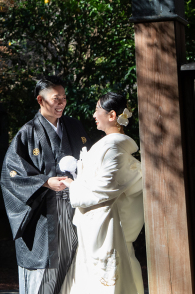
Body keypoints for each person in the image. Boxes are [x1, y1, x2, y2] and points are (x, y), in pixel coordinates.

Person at [1, 76, 89, 294]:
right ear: (41, 100)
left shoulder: (74, 126)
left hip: (73, 212)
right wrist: (45, 182)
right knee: (41, 279)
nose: (61, 103)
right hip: (43, 217)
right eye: (56, 99)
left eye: (64, 98)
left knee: (73, 276)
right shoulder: (27, 132)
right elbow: (11, 175)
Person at [59, 92, 144, 294]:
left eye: (97, 110)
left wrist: (73, 185)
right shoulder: (109, 146)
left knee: (105, 282)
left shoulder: (114, 149)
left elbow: (104, 188)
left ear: (112, 115)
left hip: (105, 225)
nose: (94, 115)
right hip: (96, 224)